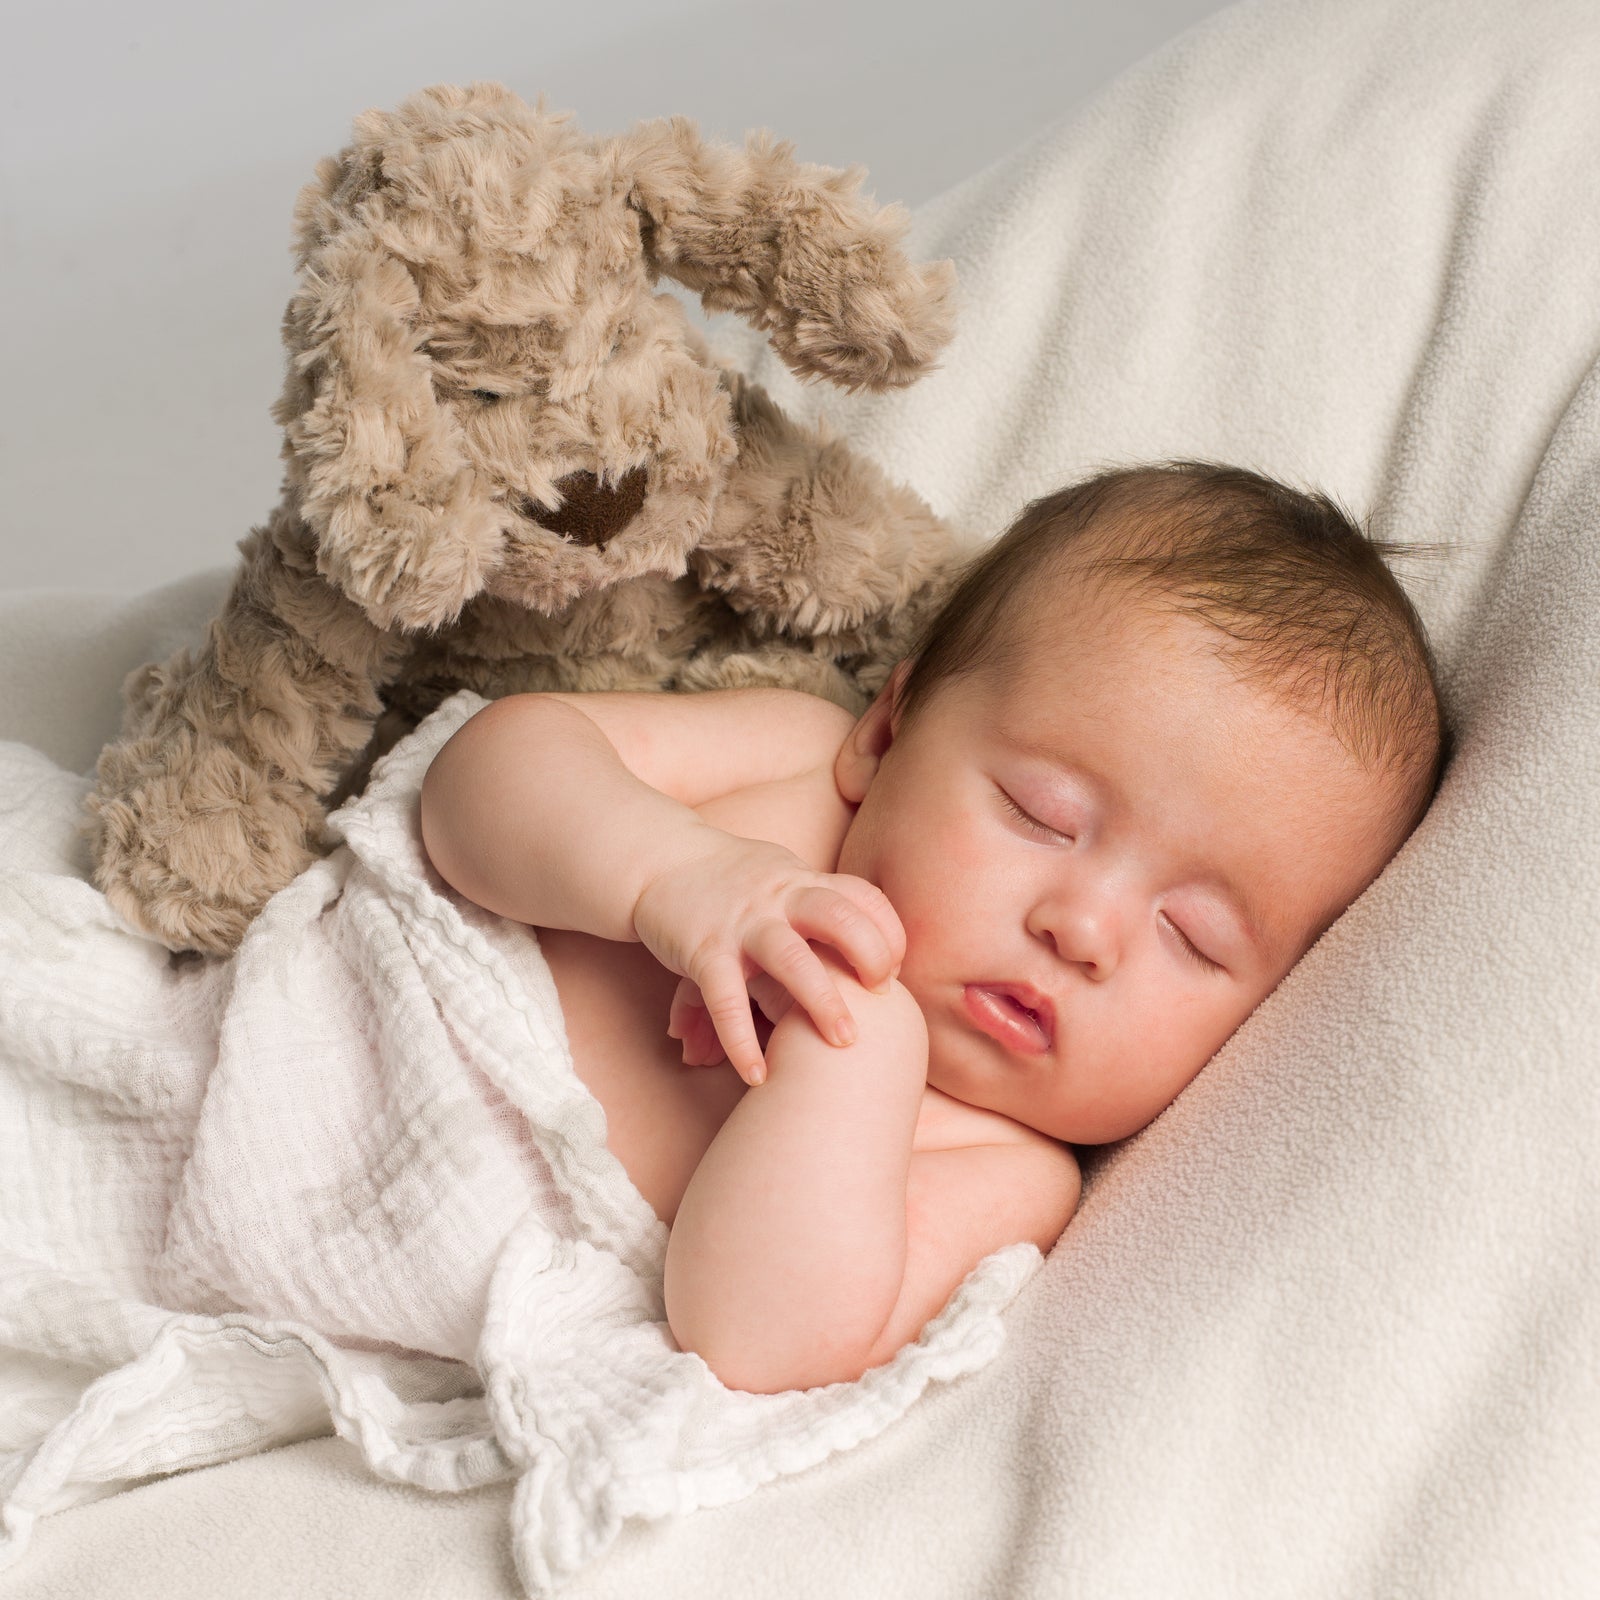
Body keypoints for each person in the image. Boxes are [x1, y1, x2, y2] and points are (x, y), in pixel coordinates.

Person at [418, 460, 1450, 1395]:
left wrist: (860, 1051)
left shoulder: (1008, 1171)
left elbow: (754, 1341)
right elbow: (472, 782)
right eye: (1044, 816)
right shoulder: (793, 763)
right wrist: (675, 874)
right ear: (886, 731)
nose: (1083, 928)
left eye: (1194, 934)